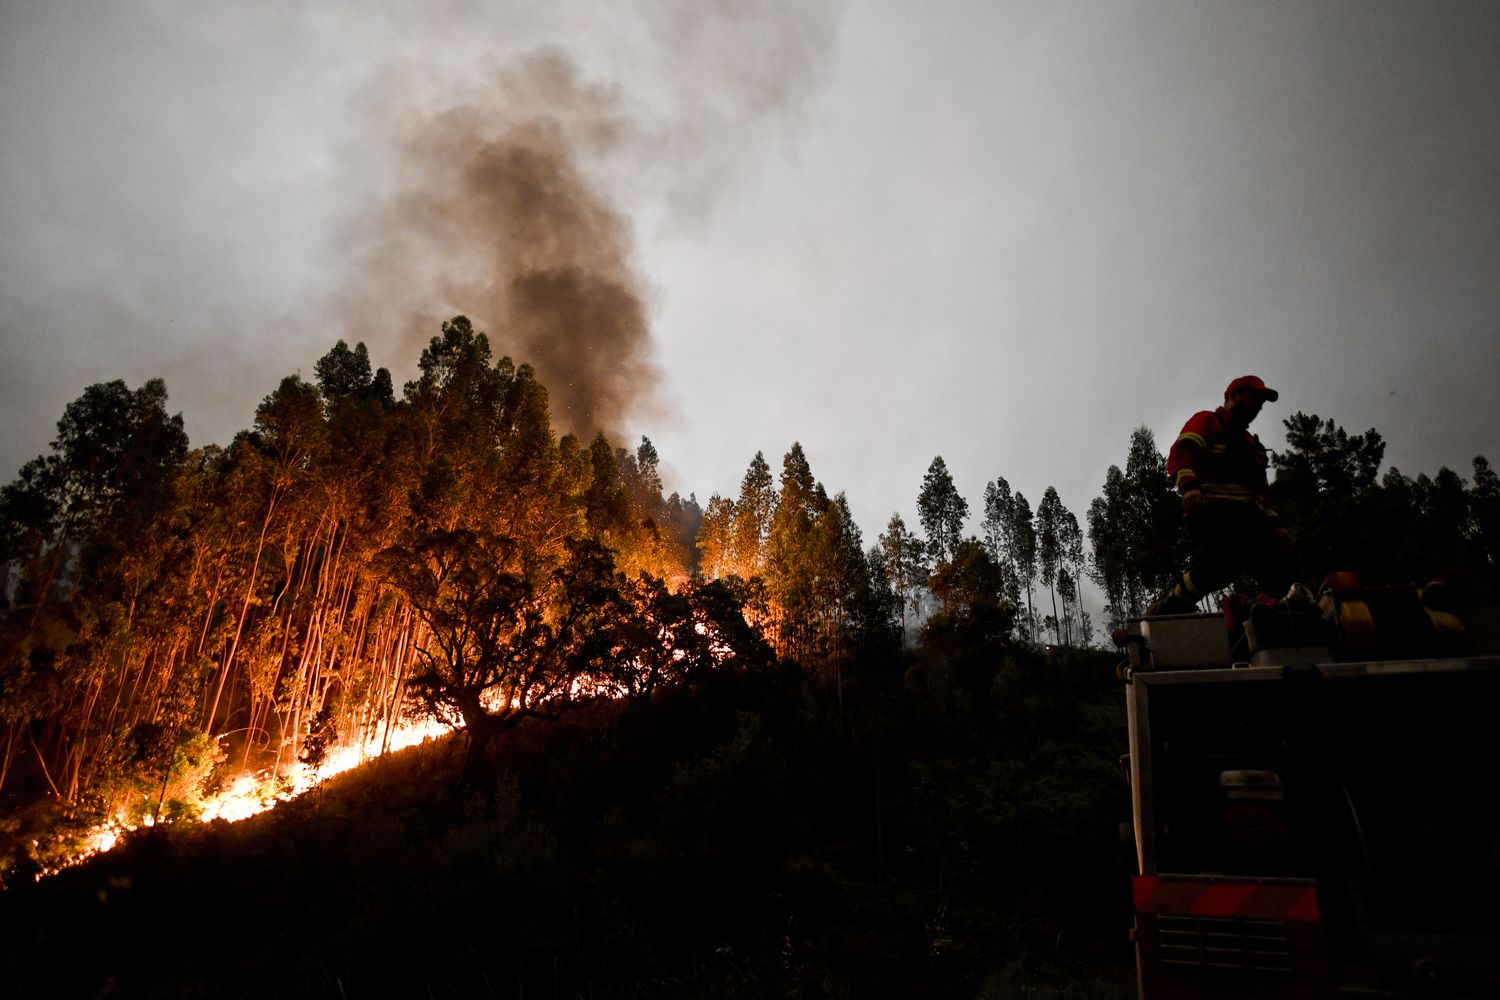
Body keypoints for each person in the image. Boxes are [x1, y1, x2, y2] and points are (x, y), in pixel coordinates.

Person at [1150, 375, 1292, 615]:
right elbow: (1182, 453)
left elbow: (1261, 493)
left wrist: (1275, 524)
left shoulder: (1252, 445)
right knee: (1225, 563)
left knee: (1279, 567)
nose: (1258, 406)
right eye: (1254, 398)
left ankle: (1264, 616)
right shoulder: (1207, 422)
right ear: (1234, 396)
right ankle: (1172, 607)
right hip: (1212, 511)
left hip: (1250, 517)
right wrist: (1190, 487)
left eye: (1262, 402)